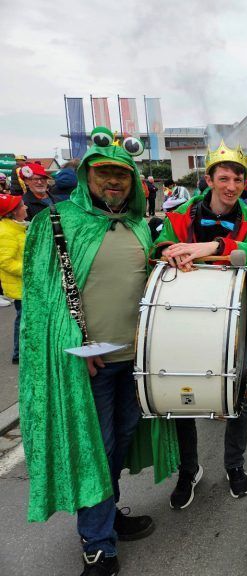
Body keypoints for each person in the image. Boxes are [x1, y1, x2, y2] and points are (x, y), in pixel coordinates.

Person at [18, 129, 178, 576]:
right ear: (87, 175)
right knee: (96, 448)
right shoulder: (56, 222)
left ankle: (107, 517)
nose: (113, 182)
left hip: (135, 360)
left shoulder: (135, 226)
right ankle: (97, 544)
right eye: (104, 173)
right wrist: (76, 343)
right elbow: (42, 301)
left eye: (121, 175)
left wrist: (163, 253)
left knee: (120, 443)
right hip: (88, 363)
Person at [152, 141, 247, 509]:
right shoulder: (182, 214)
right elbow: (156, 247)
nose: (232, 186)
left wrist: (216, 245)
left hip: (234, 321)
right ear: (209, 179)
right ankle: (189, 471)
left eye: (239, 179)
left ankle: (234, 467)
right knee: (183, 397)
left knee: (236, 397)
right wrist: (166, 252)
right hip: (182, 320)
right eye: (224, 178)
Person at [0, 194, 27, 364]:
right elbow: (5, 262)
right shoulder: (6, 232)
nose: (26, 207)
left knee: (25, 319)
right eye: (23, 206)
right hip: (19, 285)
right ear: (14, 212)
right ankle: (19, 354)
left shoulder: (17, 227)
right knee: (23, 320)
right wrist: (30, 270)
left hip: (24, 284)